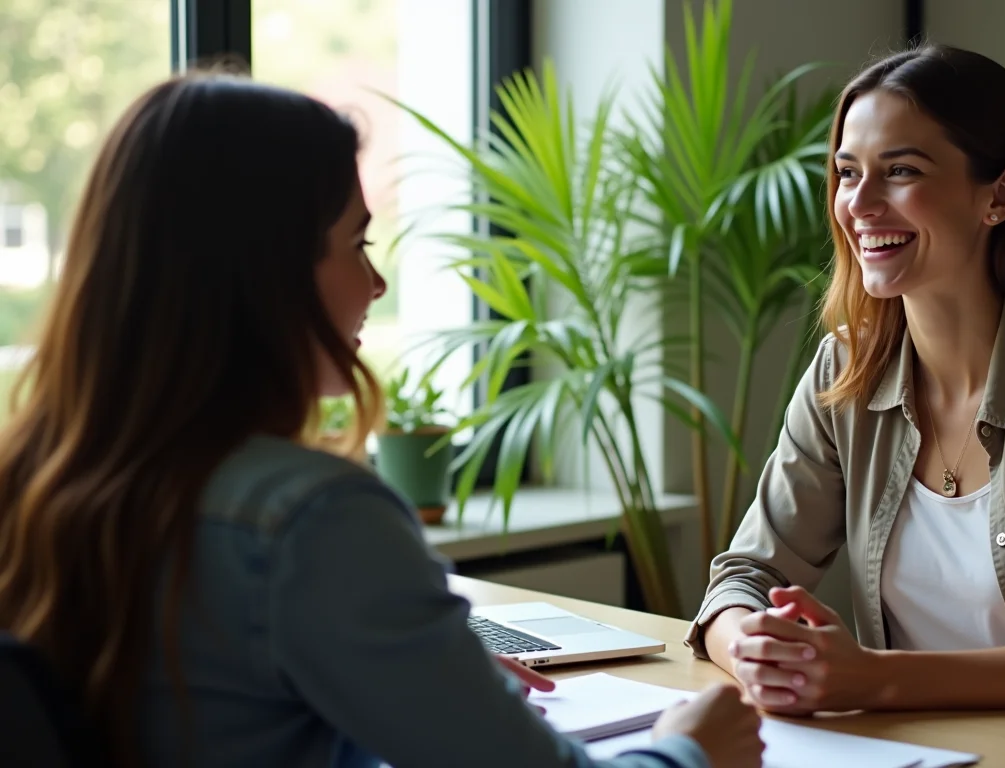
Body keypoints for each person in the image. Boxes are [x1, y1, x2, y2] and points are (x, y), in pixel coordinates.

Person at [0, 72, 764, 768]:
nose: (376, 280)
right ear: (265, 275)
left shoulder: (36, 478)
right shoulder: (313, 520)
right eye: (356, 242)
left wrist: (420, 683)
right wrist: (687, 752)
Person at [686, 43, 1005, 718]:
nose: (859, 203)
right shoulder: (846, 369)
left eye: (900, 171)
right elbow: (745, 575)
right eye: (846, 173)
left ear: (1000, 197)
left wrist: (877, 680)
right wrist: (747, 644)